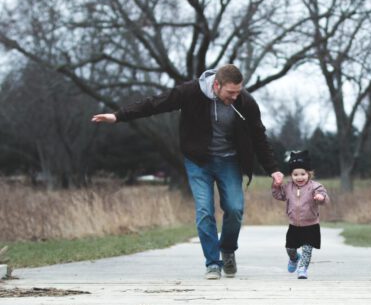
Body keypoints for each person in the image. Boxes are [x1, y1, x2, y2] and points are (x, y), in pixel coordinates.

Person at [92, 64, 284, 280]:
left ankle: (227, 249)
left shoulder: (245, 102)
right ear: (216, 84)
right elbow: (156, 104)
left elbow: (259, 136)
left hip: (229, 161)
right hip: (198, 161)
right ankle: (213, 263)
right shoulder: (190, 92)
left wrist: (273, 170)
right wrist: (118, 116)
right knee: (204, 211)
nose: (234, 97)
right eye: (230, 93)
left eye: (238, 92)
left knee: (235, 209)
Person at [272, 150, 329, 279]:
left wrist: (321, 197)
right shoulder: (288, 187)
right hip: (294, 225)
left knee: (307, 250)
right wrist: (276, 186)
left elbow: (324, 197)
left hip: (311, 225)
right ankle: (294, 258)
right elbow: (278, 195)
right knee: (290, 248)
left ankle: (303, 268)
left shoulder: (315, 187)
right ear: (291, 175)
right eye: (295, 174)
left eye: (303, 174)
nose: (299, 177)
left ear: (309, 174)